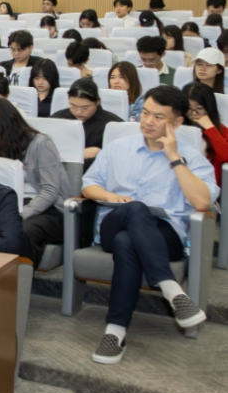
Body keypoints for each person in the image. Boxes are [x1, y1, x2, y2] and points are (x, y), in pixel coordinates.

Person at [81, 85, 216, 363]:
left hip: (165, 234)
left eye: (158, 116)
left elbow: (202, 202)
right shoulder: (119, 147)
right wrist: (111, 196)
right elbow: (88, 184)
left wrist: (174, 159)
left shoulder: (191, 157)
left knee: (127, 242)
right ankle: (171, 289)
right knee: (135, 209)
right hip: (114, 223)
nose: (148, 121)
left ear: (177, 122)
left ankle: (115, 332)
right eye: (145, 113)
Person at [0, 98, 73, 263]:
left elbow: (50, 191)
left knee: (18, 231)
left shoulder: (41, 144)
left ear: (1, 125)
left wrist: (20, 214)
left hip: (48, 209)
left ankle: (20, 276)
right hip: (12, 206)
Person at [53, 78, 122, 167]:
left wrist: (101, 152)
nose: (79, 112)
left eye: (85, 108)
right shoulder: (58, 119)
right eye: (73, 106)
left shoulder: (113, 124)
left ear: (97, 102)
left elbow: (122, 156)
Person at [183, 82, 228, 185]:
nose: (193, 113)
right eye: (188, 109)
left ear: (209, 108)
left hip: (208, 186)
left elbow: (226, 155)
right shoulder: (178, 127)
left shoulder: (221, 131)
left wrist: (210, 129)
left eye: (199, 108)